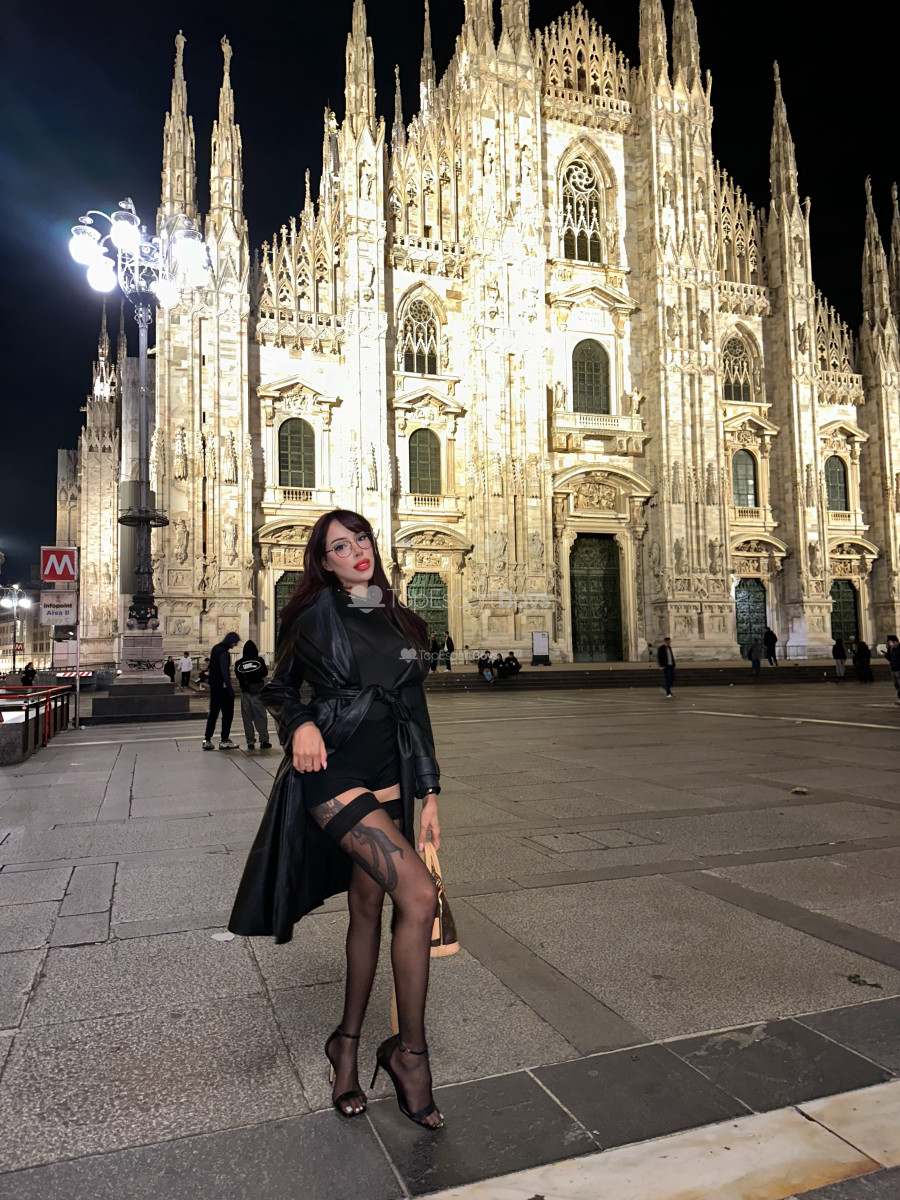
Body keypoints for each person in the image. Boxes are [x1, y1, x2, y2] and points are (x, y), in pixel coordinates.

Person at [229, 509, 443, 1130]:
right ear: (324, 563)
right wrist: (299, 723)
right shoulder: (314, 616)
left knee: (369, 909)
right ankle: (411, 1056)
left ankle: (344, 1044)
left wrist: (430, 791)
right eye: (341, 547)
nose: (357, 552)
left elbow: (413, 704)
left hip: (392, 773)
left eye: (362, 539)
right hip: (333, 771)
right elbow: (277, 687)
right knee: (420, 895)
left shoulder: (399, 616)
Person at [202, 632, 240, 749]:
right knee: (227, 715)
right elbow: (225, 672)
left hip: (214, 687)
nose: (235, 645)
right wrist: (229, 689)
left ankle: (207, 740)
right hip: (222, 688)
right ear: (231, 641)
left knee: (213, 714)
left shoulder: (215, 648)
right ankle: (224, 740)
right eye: (235, 642)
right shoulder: (224, 652)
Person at [235, 640, 272, 749]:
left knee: (247, 719)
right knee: (260, 717)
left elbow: (238, 676)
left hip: (245, 693)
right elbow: (264, 673)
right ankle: (264, 741)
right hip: (257, 693)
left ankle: (250, 741)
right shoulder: (259, 660)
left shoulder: (238, 663)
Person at [883, 635, 900, 703]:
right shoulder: (892, 649)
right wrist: (886, 654)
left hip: (899, 669)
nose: (890, 644)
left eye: (890, 642)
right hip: (893, 669)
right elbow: (890, 659)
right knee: (896, 685)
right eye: (889, 643)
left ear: (895, 642)